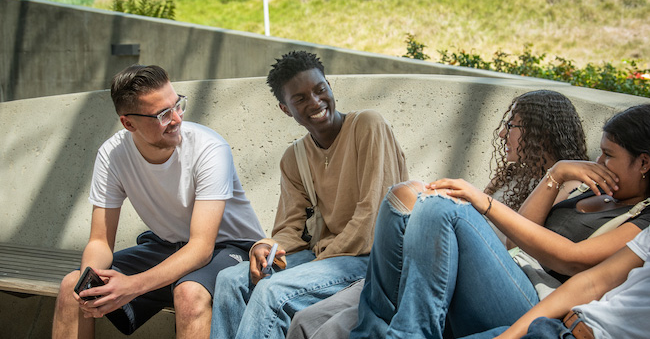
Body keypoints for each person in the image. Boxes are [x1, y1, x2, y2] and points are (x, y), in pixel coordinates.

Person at [286, 89, 589, 339]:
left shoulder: (568, 184)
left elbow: (514, 245)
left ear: (539, 133)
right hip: (434, 266)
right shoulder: (510, 178)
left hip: (487, 287)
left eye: (512, 127)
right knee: (309, 320)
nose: (500, 134)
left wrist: (551, 176)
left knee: (337, 324)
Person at [350, 103, 650, 339]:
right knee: (400, 199)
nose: (598, 163)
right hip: (510, 276)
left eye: (608, 155)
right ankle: (369, 333)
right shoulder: (594, 189)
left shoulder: (643, 219)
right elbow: (514, 241)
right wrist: (556, 173)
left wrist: (484, 203)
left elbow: (574, 261)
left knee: (443, 207)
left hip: (538, 306)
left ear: (644, 162)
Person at [52, 65, 266, 338]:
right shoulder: (112, 155)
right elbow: (100, 241)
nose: (176, 118)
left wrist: (131, 286)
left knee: (189, 293)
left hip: (231, 249)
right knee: (73, 287)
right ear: (129, 123)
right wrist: (89, 283)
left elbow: (201, 247)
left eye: (178, 105)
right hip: (167, 247)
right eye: (163, 114)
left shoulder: (209, 149)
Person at [209, 50, 408, 339]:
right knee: (230, 279)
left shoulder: (367, 125)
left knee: (272, 292)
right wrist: (265, 247)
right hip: (326, 257)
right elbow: (291, 228)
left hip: (373, 258)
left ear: (329, 86)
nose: (315, 101)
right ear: (285, 109)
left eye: (319, 89)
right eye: (300, 98)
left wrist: (315, 264)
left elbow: (372, 220)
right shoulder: (295, 157)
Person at [480, 225, 650, 339]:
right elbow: (593, 283)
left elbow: (572, 258)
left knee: (456, 212)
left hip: (547, 305)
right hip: (556, 326)